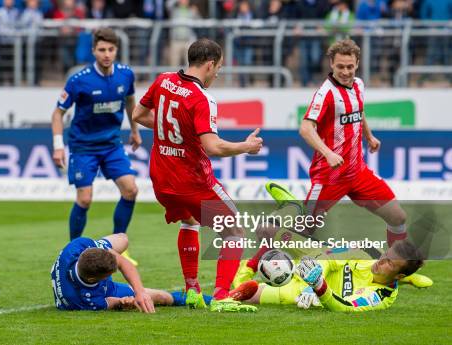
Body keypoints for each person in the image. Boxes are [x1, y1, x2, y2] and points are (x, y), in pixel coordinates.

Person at [132, 38, 263, 312]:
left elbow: (138, 114)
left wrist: (172, 134)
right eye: (219, 69)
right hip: (191, 180)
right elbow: (213, 146)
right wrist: (246, 147)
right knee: (234, 231)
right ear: (210, 64)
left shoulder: (163, 80)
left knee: (189, 221)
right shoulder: (203, 98)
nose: (217, 74)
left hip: (161, 178)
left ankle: (192, 290)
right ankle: (221, 296)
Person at [298, 38, 431, 288]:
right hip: (330, 176)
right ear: (331, 64)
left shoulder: (358, 85)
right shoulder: (325, 94)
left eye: (350, 66)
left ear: (357, 63)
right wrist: (327, 152)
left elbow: (359, 112)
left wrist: (368, 135)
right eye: (340, 67)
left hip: (358, 173)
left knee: (398, 217)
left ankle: (394, 271)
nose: (346, 72)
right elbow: (306, 129)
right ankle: (260, 268)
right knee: (300, 232)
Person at [51, 28, 141, 265]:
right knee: (85, 199)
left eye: (111, 49)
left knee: (131, 190)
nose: (107, 54)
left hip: (112, 145)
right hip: (83, 147)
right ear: (93, 51)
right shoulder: (79, 80)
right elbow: (58, 114)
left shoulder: (125, 75)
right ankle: (71, 252)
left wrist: (134, 129)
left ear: (116, 50)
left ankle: (118, 247)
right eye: (102, 50)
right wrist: (58, 145)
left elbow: (131, 101)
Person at [233, 239, 424, 312]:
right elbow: (328, 258)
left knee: (242, 294)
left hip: (298, 293)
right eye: (385, 255)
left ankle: (247, 267)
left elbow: (346, 307)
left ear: (397, 276)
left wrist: (318, 287)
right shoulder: (369, 251)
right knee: (269, 230)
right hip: (313, 259)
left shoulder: (379, 296)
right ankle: (296, 209)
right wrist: (312, 282)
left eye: (389, 263)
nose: (380, 262)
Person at [51, 233, 213, 312]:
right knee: (161, 297)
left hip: (85, 273)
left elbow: (123, 263)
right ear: (95, 279)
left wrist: (139, 291)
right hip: (106, 292)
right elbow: (112, 302)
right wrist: (124, 302)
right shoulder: (85, 300)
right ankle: (212, 300)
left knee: (123, 239)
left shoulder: (77, 247)